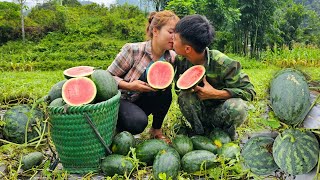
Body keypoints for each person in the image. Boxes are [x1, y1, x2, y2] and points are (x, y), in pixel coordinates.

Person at [173, 14, 256, 139]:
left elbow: (250, 92)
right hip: (199, 113)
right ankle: (200, 134)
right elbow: (178, 88)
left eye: (174, 39)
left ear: (188, 48)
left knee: (238, 107)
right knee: (184, 97)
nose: (171, 41)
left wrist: (216, 94)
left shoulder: (223, 63)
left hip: (221, 112)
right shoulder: (181, 61)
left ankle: (226, 135)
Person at [107, 10, 179, 144]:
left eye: (176, 33)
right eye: (170, 32)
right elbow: (108, 77)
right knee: (137, 123)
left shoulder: (172, 57)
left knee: (166, 92)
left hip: (143, 100)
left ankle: (156, 130)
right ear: (156, 31)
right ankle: (118, 128)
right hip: (123, 101)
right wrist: (129, 85)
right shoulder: (133, 50)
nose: (174, 37)